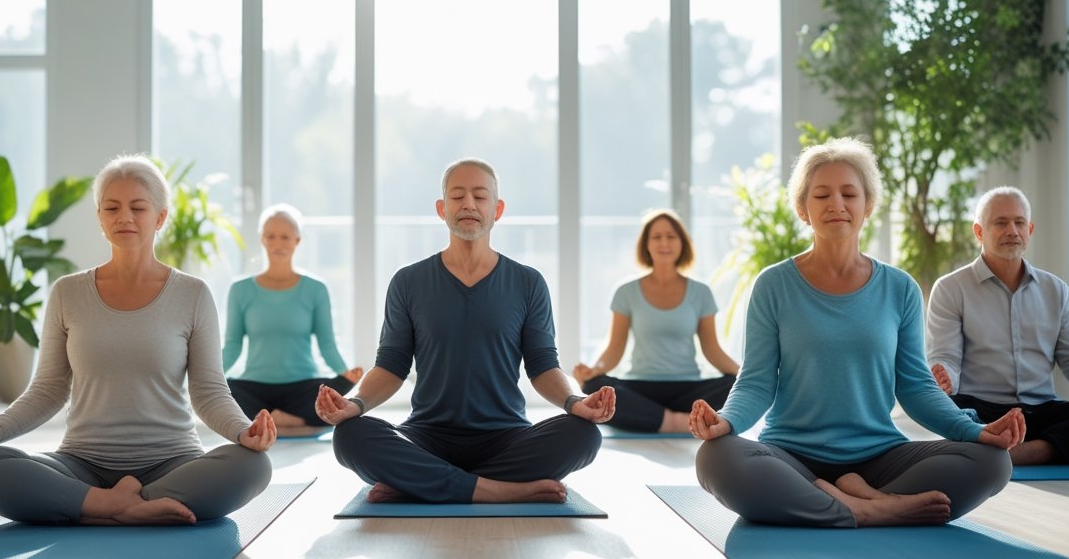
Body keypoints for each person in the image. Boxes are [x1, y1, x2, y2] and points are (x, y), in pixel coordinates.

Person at [690, 138, 1025, 527]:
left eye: (849, 193)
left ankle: (845, 502)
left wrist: (975, 431)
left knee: (992, 461)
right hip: (792, 456)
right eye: (822, 195)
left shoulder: (900, 288)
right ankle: (868, 508)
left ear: (868, 206)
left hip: (878, 457)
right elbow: (756, 382)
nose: (837, 204)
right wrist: (726, 422)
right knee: (715, 457)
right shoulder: (774, 285)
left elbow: (916, 386)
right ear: (803, 209)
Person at [0, 154, 275, 525]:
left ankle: (90, 507)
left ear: (160, 217)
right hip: (81, 465)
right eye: (112, 208)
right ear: (100, 218)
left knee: (253, 466)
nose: (124, 218)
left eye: (138, 208)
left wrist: (245, 432)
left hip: (172, 463)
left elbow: (209, 392)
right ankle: (122, 507)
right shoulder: (68, 292)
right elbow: (48, 390)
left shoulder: (193, 294)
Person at [315, 158, 615, 503]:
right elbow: (391, 365)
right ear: (442, 209)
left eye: (480, 196)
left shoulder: (528, 282)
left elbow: (543, 365)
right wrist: (354, 404)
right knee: (350, 436)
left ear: (497, 210)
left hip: (506, 437)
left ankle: (423, 483)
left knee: (584, 435)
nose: (469, 204)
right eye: (457, 197)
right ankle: (496, 490)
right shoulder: (408, 282)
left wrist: (575, 402)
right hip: (427, 437)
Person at [926, 186, 1069, 466]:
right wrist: (944, 379)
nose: (1012, 230)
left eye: (1019, 222)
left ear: (1030, 229)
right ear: (979, 232)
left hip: (1043, 412)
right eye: (1000, 223)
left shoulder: (1056, 290)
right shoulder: (950, 288)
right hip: (982, 412)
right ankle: (1029, 446)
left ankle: (1023, 452)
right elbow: (947, 357)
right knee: (948, 410)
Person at [574, 209, 738, 433]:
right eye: (657, 237)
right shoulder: (626, 292)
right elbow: (614, 348)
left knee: (734, 385)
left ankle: (654, 418)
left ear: (682, 243)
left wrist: (743, 375)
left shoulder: (701, 293)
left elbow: (712, 349)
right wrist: (596, 370)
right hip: (640, 386)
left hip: (688, 389)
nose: (664, 243)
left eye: (671, 236)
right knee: (595, 387)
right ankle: (676, 422)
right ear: (646, 244)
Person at [223, 203, 364, 429]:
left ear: (297, 241)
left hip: (304, 385)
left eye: (285, 237)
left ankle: (268, 418)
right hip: (253, 386)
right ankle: (287, 418)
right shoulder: (240, 290)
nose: (277, 243)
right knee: (225, 392)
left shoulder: (316, 289)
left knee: (329, 397)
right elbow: (232, 345)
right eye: (271, 236)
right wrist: (210, 379)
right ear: (262, 239)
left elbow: (327, 344)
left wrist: (345, 374)